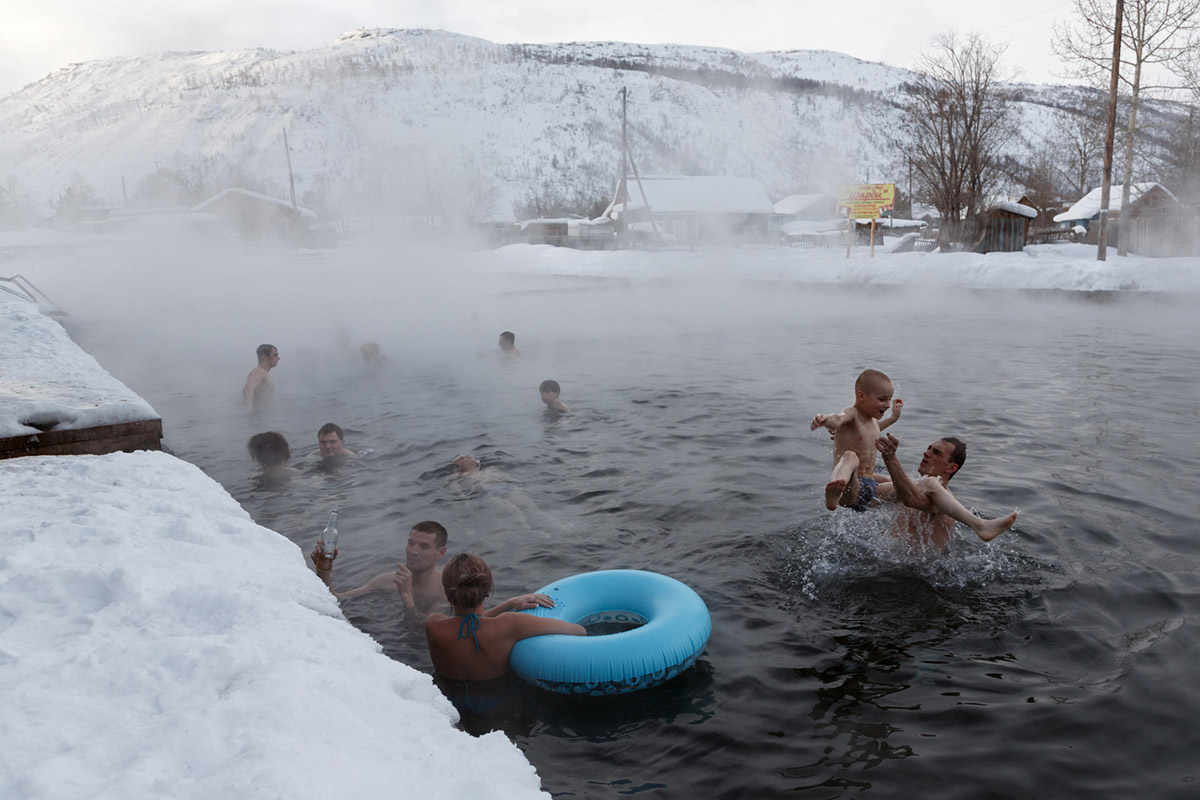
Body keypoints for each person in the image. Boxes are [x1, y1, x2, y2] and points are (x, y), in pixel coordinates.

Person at [425, 553, 585, 682]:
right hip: (500, 710)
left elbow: (467, 625)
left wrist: (507, 604)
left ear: (447, 593)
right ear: (488, 589)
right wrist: (509, 605)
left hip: (449, 709)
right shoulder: (509, 624)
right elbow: (578, 631)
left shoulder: (433, 625)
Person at [875, 433, 1019, 551]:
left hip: (916, 575)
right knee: (877, 479)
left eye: (936, 452)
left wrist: (890, 458)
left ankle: (981, 526)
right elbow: (888, 485)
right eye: (929, 448)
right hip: (890, 562)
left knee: (929, 482)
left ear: (951, 468)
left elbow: (911, 498)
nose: (926, 453)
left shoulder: (944, 501)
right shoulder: (916, 486)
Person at [811, 368, 902, 512]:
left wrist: (893, 418)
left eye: (890, 399)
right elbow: (838, 419)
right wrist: (825, 420)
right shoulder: (852, 414)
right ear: (861, 396)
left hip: (869, 487)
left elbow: (875, 430)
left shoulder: (871, 423)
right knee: (850, 456)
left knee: (899, 483)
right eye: (882, 399)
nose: (888, 404)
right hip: (849, 488)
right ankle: (834, 489)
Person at [243, 344, 279, 413]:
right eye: (275, 355)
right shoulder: (259, 372)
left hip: (265, 415)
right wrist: (249, 412)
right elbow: (247, 388)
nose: (278, 358)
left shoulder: (264, 373)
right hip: (260, 417)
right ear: (264, 357)